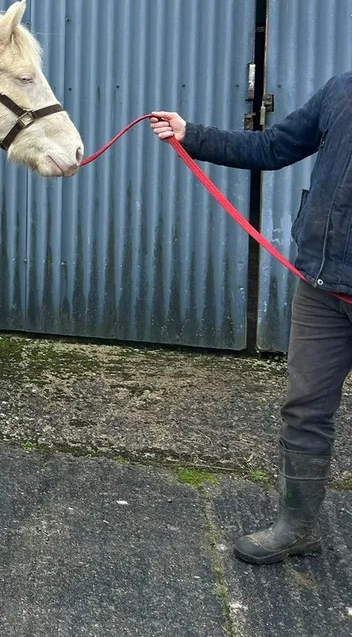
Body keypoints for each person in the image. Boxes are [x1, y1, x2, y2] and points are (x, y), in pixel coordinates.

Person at [150, 71, 351, 565]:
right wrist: (191, 134)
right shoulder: (342, 90)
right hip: (323, 288)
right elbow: (273, 146)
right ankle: (297, 528)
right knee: (305, 411)